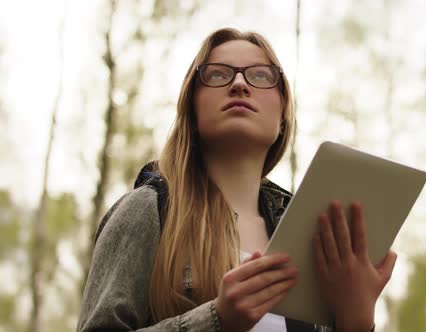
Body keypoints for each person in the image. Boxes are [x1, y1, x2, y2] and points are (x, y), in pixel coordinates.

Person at [77, 27, 397, 332]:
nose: (240, 84)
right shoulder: (147, 210)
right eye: (218, 74)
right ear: (192, 109)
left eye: (260, 76)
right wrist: (216, 321)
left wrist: (356, 320)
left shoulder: (312, 233)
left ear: (283, 113)